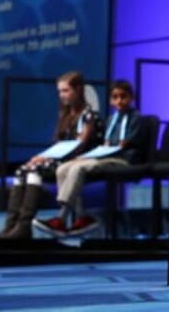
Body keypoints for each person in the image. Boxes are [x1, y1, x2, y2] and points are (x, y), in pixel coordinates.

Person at [0, 71, 101, 239]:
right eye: (59, 91)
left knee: (35, 171)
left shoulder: (88, 114)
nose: (61, 95)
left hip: (76, 160)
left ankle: (24, 226)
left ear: (78, 90)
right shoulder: (65, 115)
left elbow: (80, 145)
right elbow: (59, 144)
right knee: (22, 170)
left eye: (65, 90)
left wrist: (49, 158)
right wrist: (42, 156)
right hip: (62, 158)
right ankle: (11, 225)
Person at [36, 80, 149, 237]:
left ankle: (61, 217)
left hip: (123, 160)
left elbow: (124, 145)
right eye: (115, 97)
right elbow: (105, 144)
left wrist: (102, 152)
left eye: (123, 96)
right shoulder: (111, 120)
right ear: (110, 100)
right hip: (105, 157)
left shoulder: (137, 119)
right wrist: (88, 156)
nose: (119, 101)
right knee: (64, 168)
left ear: (131, 97)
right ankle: (81, 217)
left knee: (79, 168)